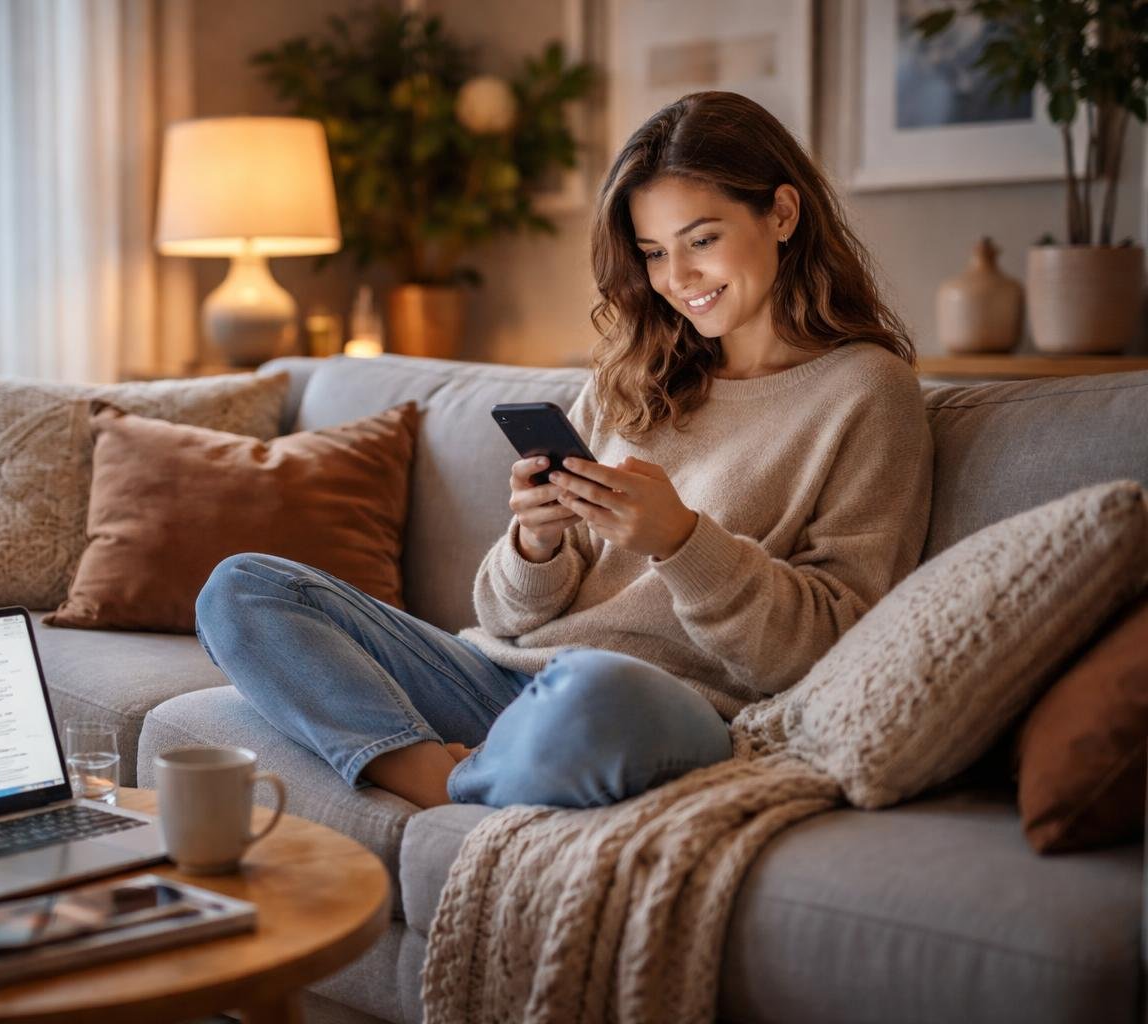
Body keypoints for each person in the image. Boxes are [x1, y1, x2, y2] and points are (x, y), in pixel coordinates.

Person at [192, 91, 933, 811]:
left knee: (602, 691)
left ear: (781, 211)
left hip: (650, 705)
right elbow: (504, 619)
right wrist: (537, 542)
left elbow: (836, 648)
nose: (678, 280)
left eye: (702, 239)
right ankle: (430, 774)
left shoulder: (867, 393)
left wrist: (681, 542)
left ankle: (473, 777)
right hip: (505, 681)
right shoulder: (634, 375)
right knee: (242, 588)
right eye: (653, 253)